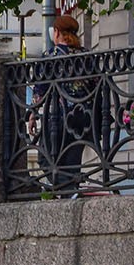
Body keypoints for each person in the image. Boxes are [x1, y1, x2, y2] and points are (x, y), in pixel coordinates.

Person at [36, 16, 97, 195]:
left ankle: (69, 192)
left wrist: (32, 114)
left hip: (59, 117)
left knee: (46, 159)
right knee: (72, 164)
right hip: (83, 117)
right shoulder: (85, 55)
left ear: (56, 33)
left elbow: (41, 88)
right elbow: (96, 84)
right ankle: (71, 195)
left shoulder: (51, 55)